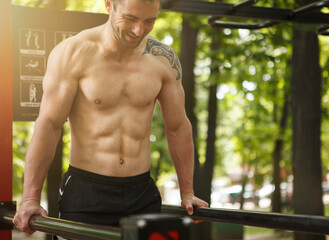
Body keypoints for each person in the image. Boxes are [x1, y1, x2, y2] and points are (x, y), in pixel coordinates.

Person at [13, 0, 208, 234]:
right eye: (130, 18)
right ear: (109, 5)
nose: (139, 31)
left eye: (149, 21)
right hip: (87, 192)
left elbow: (178, 127)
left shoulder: (163, 58)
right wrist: (30, 200)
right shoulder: (73, 52)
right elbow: (49, 125)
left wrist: (187, 193)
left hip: (142, 193)